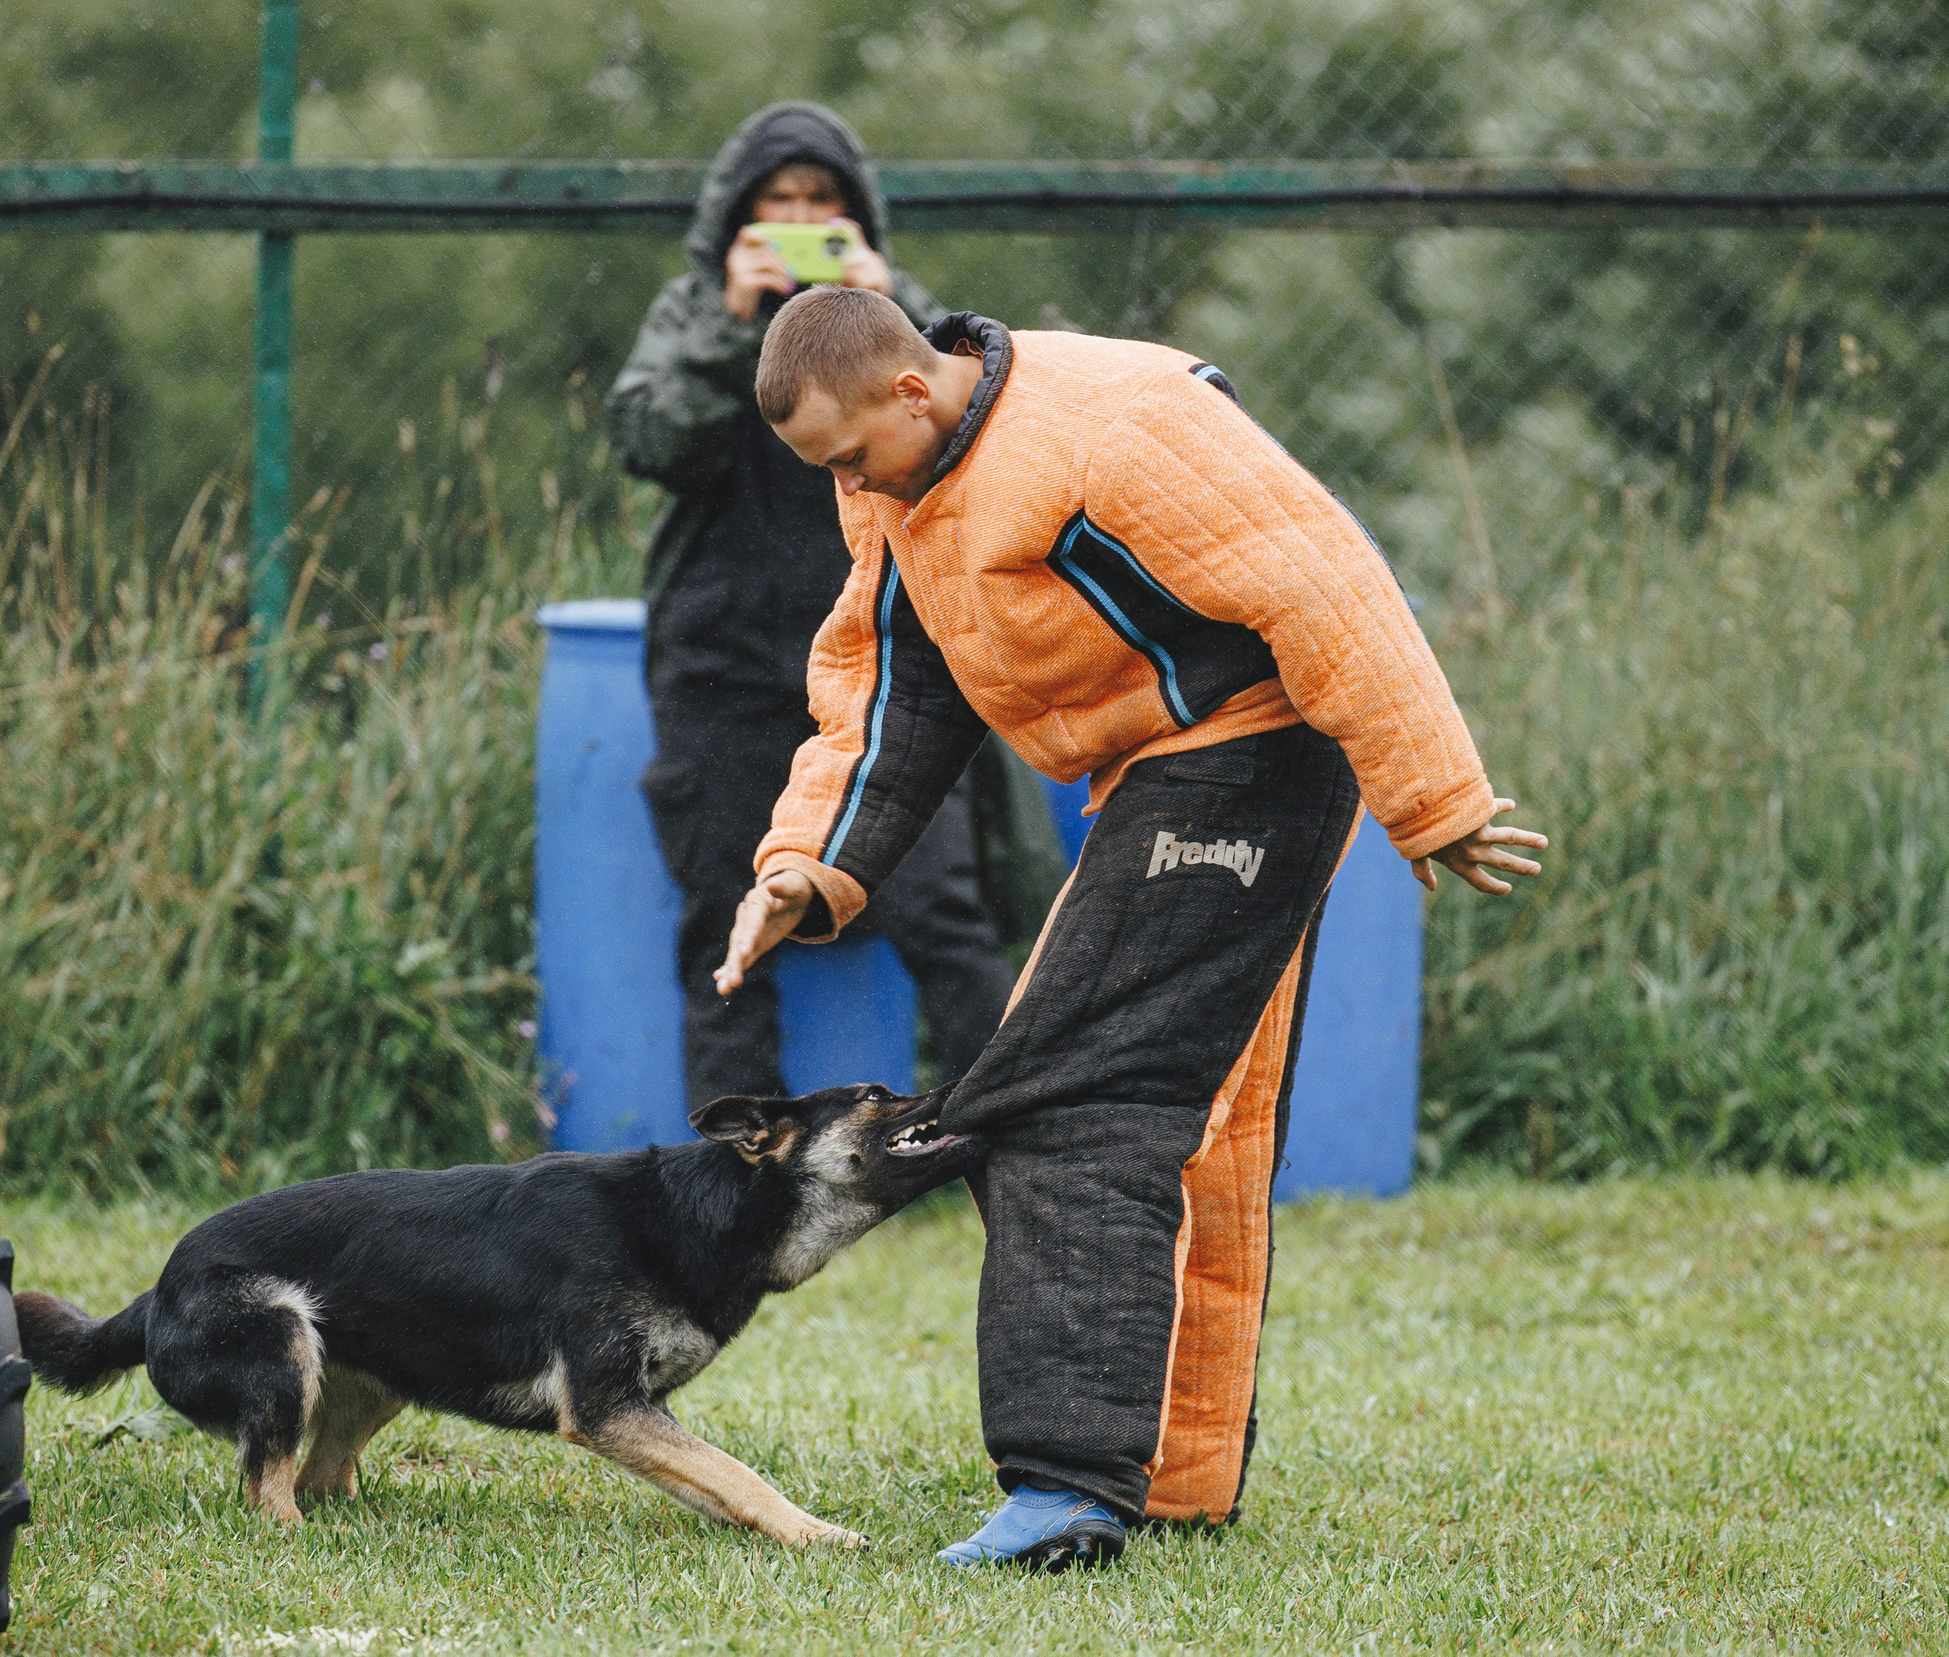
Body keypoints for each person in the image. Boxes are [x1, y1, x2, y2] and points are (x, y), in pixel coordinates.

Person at [712, 287, 1547, 1569]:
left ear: (910, 392)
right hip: (1152, 777)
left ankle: (1064, 1489)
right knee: (1194, 1133)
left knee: (1062, 1097)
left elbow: (1326, 576)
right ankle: (1171, 1471)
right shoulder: (898, 487)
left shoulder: (1118, 422)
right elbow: (891, 683)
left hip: (1253, 753)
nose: (844, 486)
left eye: (844, 456)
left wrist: (1430, 794)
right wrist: (806, 865)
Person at [607, 102, 1013, 1109]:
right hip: (721, 665)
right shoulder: (693, 309)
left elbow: (979, 421)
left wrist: (891, 305)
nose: (796, 219)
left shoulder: (902, 316)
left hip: (890, 662)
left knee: (945, 913)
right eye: (776, 203)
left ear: (857, 217)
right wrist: (725, 327)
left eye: (819, 204)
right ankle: (733, 1171)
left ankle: (1007, 1138)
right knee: (721, 918)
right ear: (736, 219)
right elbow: (649, 443)